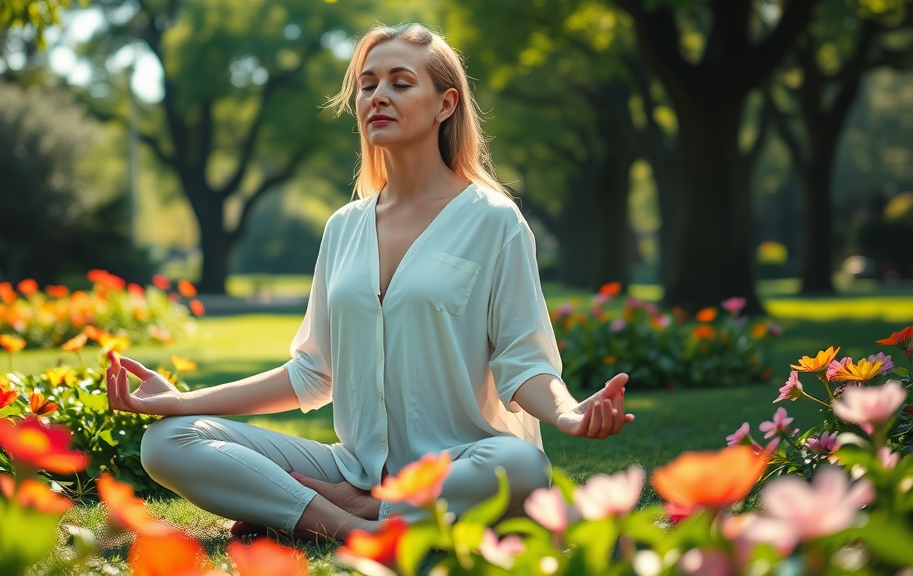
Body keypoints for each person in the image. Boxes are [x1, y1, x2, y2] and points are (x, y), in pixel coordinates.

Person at [106, 22, 634, 542]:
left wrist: (567, 413)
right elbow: (312, 374)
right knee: (167, 442)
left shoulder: (494, 222)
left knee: (521, 465)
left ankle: (317, 512)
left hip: (461, 464)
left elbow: (523, 363)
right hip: (350, 467)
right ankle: (353, 520)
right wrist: (182, 402)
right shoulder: (343, 227)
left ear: (445, 104)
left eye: (400, 83)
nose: (378, 96)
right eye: (367, 85)